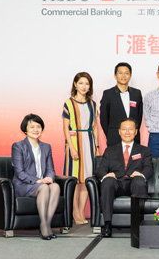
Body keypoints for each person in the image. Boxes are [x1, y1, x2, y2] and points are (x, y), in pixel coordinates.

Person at [96, 118, 153, 238]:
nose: (127, 132)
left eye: (130, 129)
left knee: (139, 181)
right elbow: (101, 170)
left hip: (134, 182)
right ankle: (107, 224)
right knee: (107, 182)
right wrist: (108, 175)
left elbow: (149, 169)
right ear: (119, 131)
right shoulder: (110, 150)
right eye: (124, 129)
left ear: (136, 131)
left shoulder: (144, 150)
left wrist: (140, 174)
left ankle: (137, 225)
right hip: (116, 184)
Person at [12, 114, 60, 240]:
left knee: (55, 186)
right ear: (25, 130)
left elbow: (50, 169)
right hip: (24, 184)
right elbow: (19, 173)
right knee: (44, 188)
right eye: (32, 127)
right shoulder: (18, 146)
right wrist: (38, 181)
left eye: (38, 126)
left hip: (41, 183)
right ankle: (45, 227)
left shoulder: (46, 147)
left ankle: (45, 224)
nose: (36, 129)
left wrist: (49, 177)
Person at [63, 72, 99, 225]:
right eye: (81, 83)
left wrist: (97, 147)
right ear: (75, 84)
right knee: (75, 179)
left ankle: (81, 211)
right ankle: (74, 211)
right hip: (74, 141)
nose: (84, 86)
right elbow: (65, 127)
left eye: (87, 83)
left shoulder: (92, 103)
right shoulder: (68, 103)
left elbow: (94, 127)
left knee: (86, 179)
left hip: (88, 142)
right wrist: (71, 147)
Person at [100, 62, 143, 146]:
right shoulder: (108, 94)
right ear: (115, 75)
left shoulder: (137, 93)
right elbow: (104, 119)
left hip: (134, 137)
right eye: (120, 73)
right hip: (114, 138)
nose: (123, 76)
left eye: (126, 73)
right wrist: (111, 133)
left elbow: (139, 116)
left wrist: (133, 131)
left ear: (130, 75)